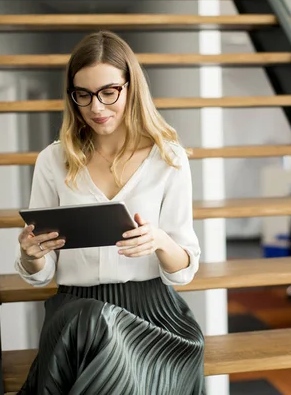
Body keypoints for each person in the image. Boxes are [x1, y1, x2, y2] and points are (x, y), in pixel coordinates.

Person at [14, 31, 205, 395]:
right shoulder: (52, 161)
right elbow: (42, 274)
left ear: (131, 88)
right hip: (75, 311)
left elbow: (184, 271)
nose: (96, 108)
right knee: (92, 322)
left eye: (108, 92)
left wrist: (160, 240)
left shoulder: (168, 159)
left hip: (151, 314)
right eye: (82, 95)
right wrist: (31, 256)